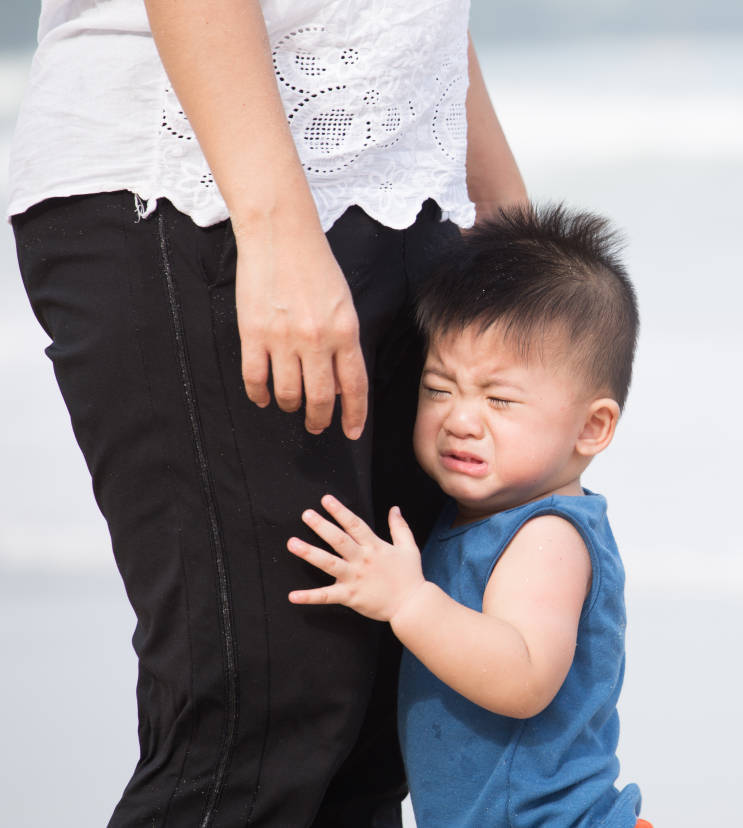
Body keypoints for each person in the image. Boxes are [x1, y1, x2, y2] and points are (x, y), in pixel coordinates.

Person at [8, 1, 526, 825]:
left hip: (409, 194)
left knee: (374, 731)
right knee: (261, 722)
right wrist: (275, 228)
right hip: (197, 187)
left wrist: (504, 213)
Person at [285, 205, 652, 828]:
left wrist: (407, 602)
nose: (460, 418)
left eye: (500, 399)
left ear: (592, 428)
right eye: (439, 388)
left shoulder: (548, 536)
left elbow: (523, 677)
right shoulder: (471, 520)